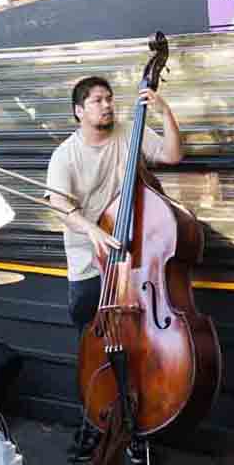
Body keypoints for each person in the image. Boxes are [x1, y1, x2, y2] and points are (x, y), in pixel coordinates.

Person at [45, 72, 182, 329]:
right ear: (79, 111)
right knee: (93, 345)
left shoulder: (131, 130)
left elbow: (172, 155)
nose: (107, 105)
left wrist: (165, 113)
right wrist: (91, 228)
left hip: (135, 263)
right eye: (97, 101)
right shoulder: (64, 155)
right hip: (89, 266)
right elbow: (58, 204)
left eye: (109, 99)